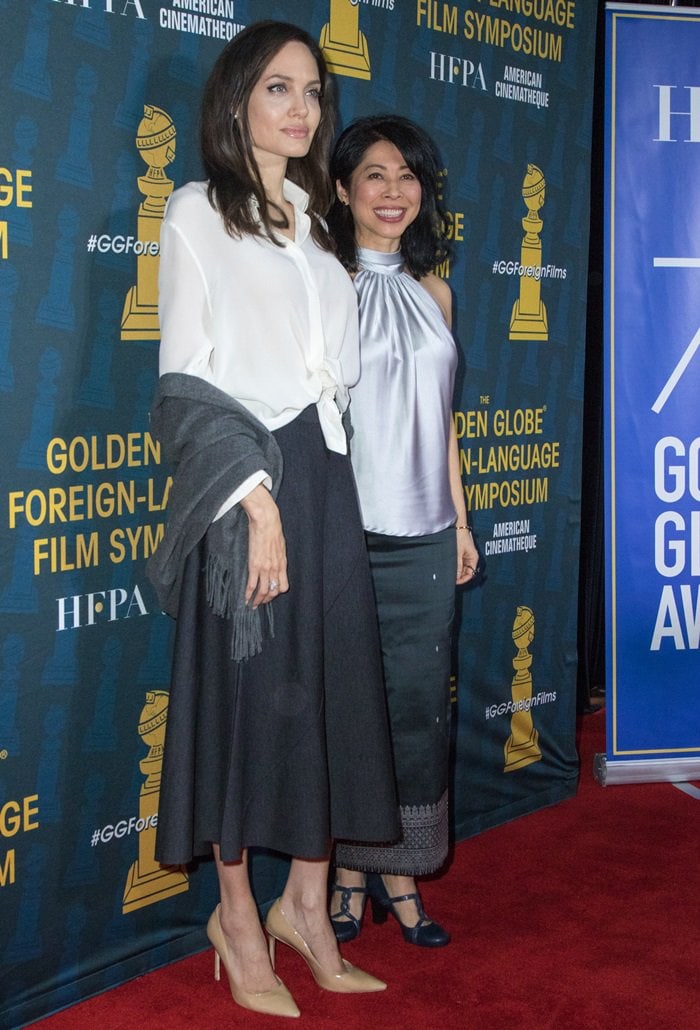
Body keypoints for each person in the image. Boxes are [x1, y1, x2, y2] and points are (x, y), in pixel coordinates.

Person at [147, 23, 399, 1019]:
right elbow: (181, 379)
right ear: (238, 101)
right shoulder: (196, 212)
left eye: (312, 92)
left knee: (330, 698)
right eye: (278, 88)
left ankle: (306, 903)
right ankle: (239, 918)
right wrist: (253, 501)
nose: (300, 109)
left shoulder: (318, 220)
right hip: (245, 485)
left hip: (328, 482)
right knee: (245, 707)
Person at [326, 115, 479, 949]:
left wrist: (458, 521)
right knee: (351, 710)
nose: (394, 192)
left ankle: (402, 875)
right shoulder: (321, 283)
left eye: (409, 176)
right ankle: (348, 874)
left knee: (417, 711)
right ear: (343, 187)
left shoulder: (436, 293)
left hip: (425, 534)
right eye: (375, 176)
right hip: (346, 533)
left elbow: (443, 421)